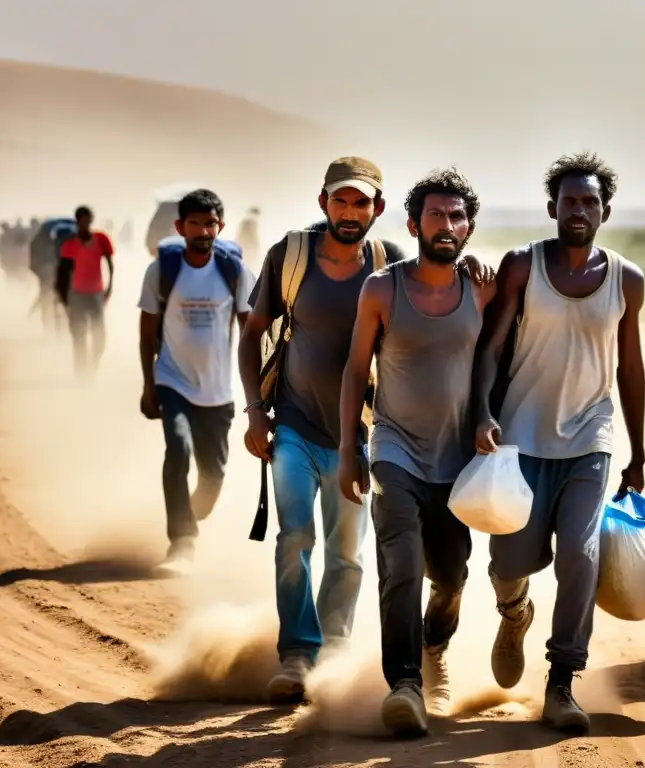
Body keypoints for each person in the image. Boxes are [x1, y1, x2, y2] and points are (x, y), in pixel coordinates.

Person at [239, 157, 492, 706]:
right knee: (295, 538)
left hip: (359, 429)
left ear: (379, 210)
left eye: (361, 202)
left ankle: (334, 649)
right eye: (340, 200)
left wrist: (470, 266)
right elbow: (254, 329)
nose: (350, 212)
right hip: (295, 425)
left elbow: (432, 279)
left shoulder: (386, 262)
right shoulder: (291, 256)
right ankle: (297, 653)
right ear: (323, 202)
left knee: (348, 552)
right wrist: (256, 411)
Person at [471, 151, 645, 733]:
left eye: (589, 201)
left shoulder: (627, 279)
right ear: (552, 208)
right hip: (520, 439)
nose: (579, 210)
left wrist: (638, 453)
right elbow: (492, 345)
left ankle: (561, 681)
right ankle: (513, 611)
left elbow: (630, 368)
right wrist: (483, 413)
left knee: (580, 554)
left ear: (606, 210)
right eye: (569, 201)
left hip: (590, 439)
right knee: (508, 563)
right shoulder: (523, 265)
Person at [339, 167, 496, 737]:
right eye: (435, 215)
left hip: (458, 463)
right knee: (399, 564)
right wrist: (348, 451)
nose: (447, 225)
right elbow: (356, 371)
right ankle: (404, 685)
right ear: (412, 223)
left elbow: (496, 362)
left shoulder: (484, 286)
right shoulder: (383, 287)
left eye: (457, 216)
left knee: (452, 575)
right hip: (394, 451)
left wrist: (486, 419)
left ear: (469, 226)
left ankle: (436, 646)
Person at [138, 189, 255, 570]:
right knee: (178, 449)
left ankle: (188, 517)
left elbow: (250, 333)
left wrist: (261, 390)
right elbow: (146, 332)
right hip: (173, 382)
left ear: (220, 225)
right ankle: (182, 542)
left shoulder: (235, 271)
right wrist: (149, 384)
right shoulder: (162, 269)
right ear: (179, 226)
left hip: (218, 394)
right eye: (194, 223)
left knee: (211, 480)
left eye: (210, 223)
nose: (203, 231)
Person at [57, 206, 115, 377]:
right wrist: (64, 299)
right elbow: (63, 274)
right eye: (81, 221)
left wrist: (109, 287)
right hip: (76, 295)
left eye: (87, 220)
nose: (84, 224)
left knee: (100, 338)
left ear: (91, 220)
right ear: (77, 222)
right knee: (79, 337)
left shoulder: (101, 239)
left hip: (96, 294)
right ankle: (81, 375)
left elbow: (110, 264)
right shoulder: (69, 244)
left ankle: (93, 362)